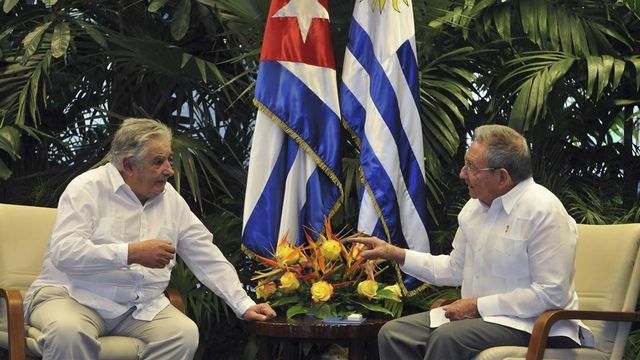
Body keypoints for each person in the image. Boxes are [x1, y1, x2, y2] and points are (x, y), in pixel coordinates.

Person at [24, 118, 276, 359]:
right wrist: (130, 253)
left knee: (182, 334)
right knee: (69, 333)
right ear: (129, 165)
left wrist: (243, 304)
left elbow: (205, 254)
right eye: (159, 162)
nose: (170, 170)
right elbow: (65, 253)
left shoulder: (171, 200)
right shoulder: (86, 189)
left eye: (168, 159)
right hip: (72, 295)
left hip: (137, 308)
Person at [349, 125, 591, 359]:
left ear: (502, 177)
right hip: (482, 321)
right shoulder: (474, 209)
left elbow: (551, 295)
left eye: (471, 167)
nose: (462, 173)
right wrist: (396, 254)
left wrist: (478, 306)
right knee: (394, 334)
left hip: (536, 324)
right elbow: (454, 270)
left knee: (448, 338)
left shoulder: (544, 211)